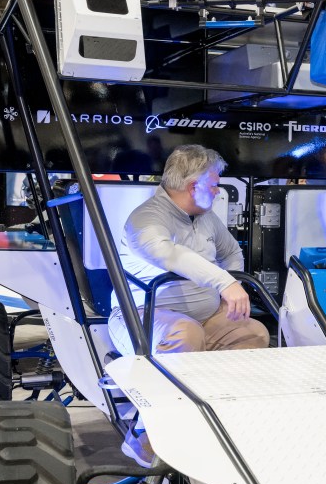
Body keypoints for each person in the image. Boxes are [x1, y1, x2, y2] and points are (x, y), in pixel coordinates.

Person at [108, 144, 269, 357]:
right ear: (194, 188)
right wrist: (224, 282)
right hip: (139, 315)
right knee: (185, 334)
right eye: (213, 185)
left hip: (205, 317)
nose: (217, 191)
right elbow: (171, 255)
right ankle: (169, 390)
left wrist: (225, 296)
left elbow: (231, 252)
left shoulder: (206, 217)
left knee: (254, 333)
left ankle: (218, 390)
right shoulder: (145, 219)